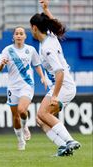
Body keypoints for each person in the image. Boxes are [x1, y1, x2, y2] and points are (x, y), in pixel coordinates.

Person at [30, 0, 81, 156]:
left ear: (34, 28)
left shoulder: (47, 48)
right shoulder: (49, 37)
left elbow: (60, 72)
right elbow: (55, 26)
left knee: (43, 114)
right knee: (40, 119)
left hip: (63, 86)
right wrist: (46, 9)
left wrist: (55, 96)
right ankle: (63, 147)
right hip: (61, 85)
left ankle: (69, 140)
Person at [0, 26, 47, 150]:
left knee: (22, 110)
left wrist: (42, 77)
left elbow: (37, 64)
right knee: (15, 117)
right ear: (13, 37)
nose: (19, 35)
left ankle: (25, 127)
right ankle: (20, 141)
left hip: (27, 84)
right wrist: (2, 64)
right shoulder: (7, 50)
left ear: (25, 36)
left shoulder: (30, 50)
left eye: (21, 33)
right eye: (16, 33)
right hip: (12, 87)